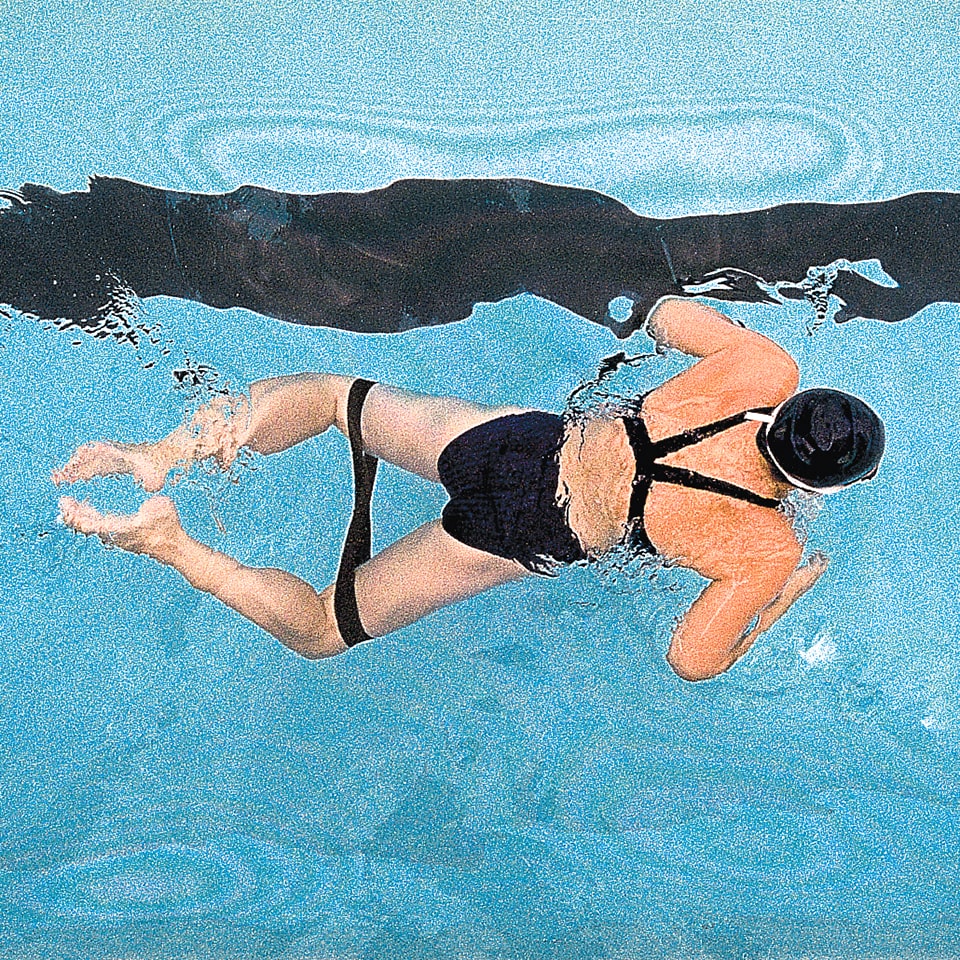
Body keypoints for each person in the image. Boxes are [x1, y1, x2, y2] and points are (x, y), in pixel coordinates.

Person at [53, 298, 885, 681]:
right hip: (527, 530)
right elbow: (690, 662)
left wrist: (730, 352)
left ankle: (165, 451)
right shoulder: (764, 546)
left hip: (518, 444)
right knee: (322, 629)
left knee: (332, 398)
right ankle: (175, 547)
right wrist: (783, 595)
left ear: (789, 410)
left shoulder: (764, 369)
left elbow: (665, 314)